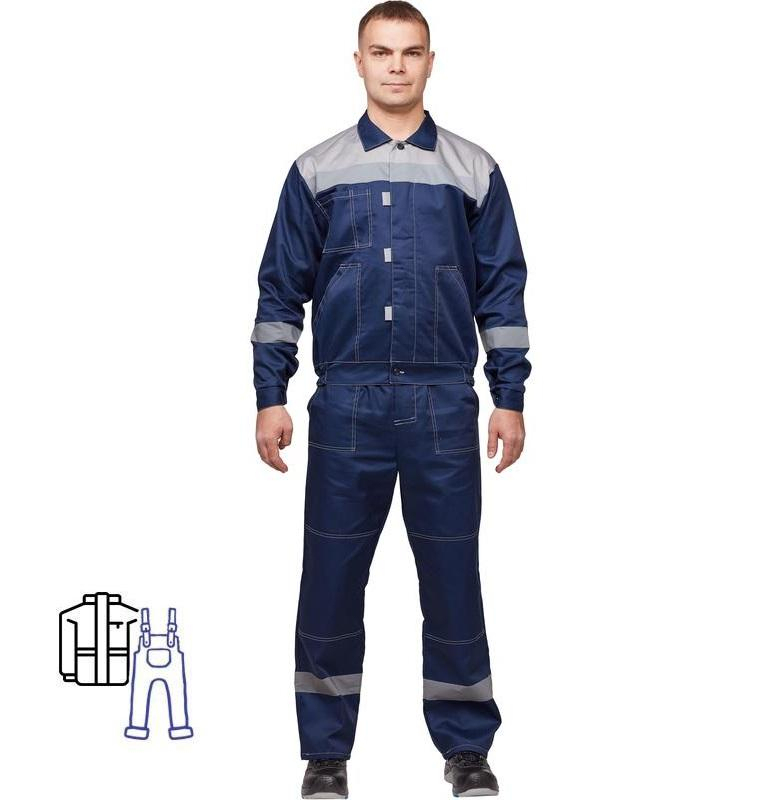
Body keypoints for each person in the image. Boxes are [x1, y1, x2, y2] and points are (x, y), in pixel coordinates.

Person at [251, 2, 530, 796]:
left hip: (444, 405)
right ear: (359, 61)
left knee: (452, 580)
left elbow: (502, 289)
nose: (397, 66)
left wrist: (508, 396)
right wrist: (270, 393)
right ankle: (326, 754)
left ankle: (467, 748)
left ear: (431, 61)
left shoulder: (473, 169)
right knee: (331, 579)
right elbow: (280, 289)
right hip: (347, 404)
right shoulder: (317, 169)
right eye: (382, 52)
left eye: (410, 52)